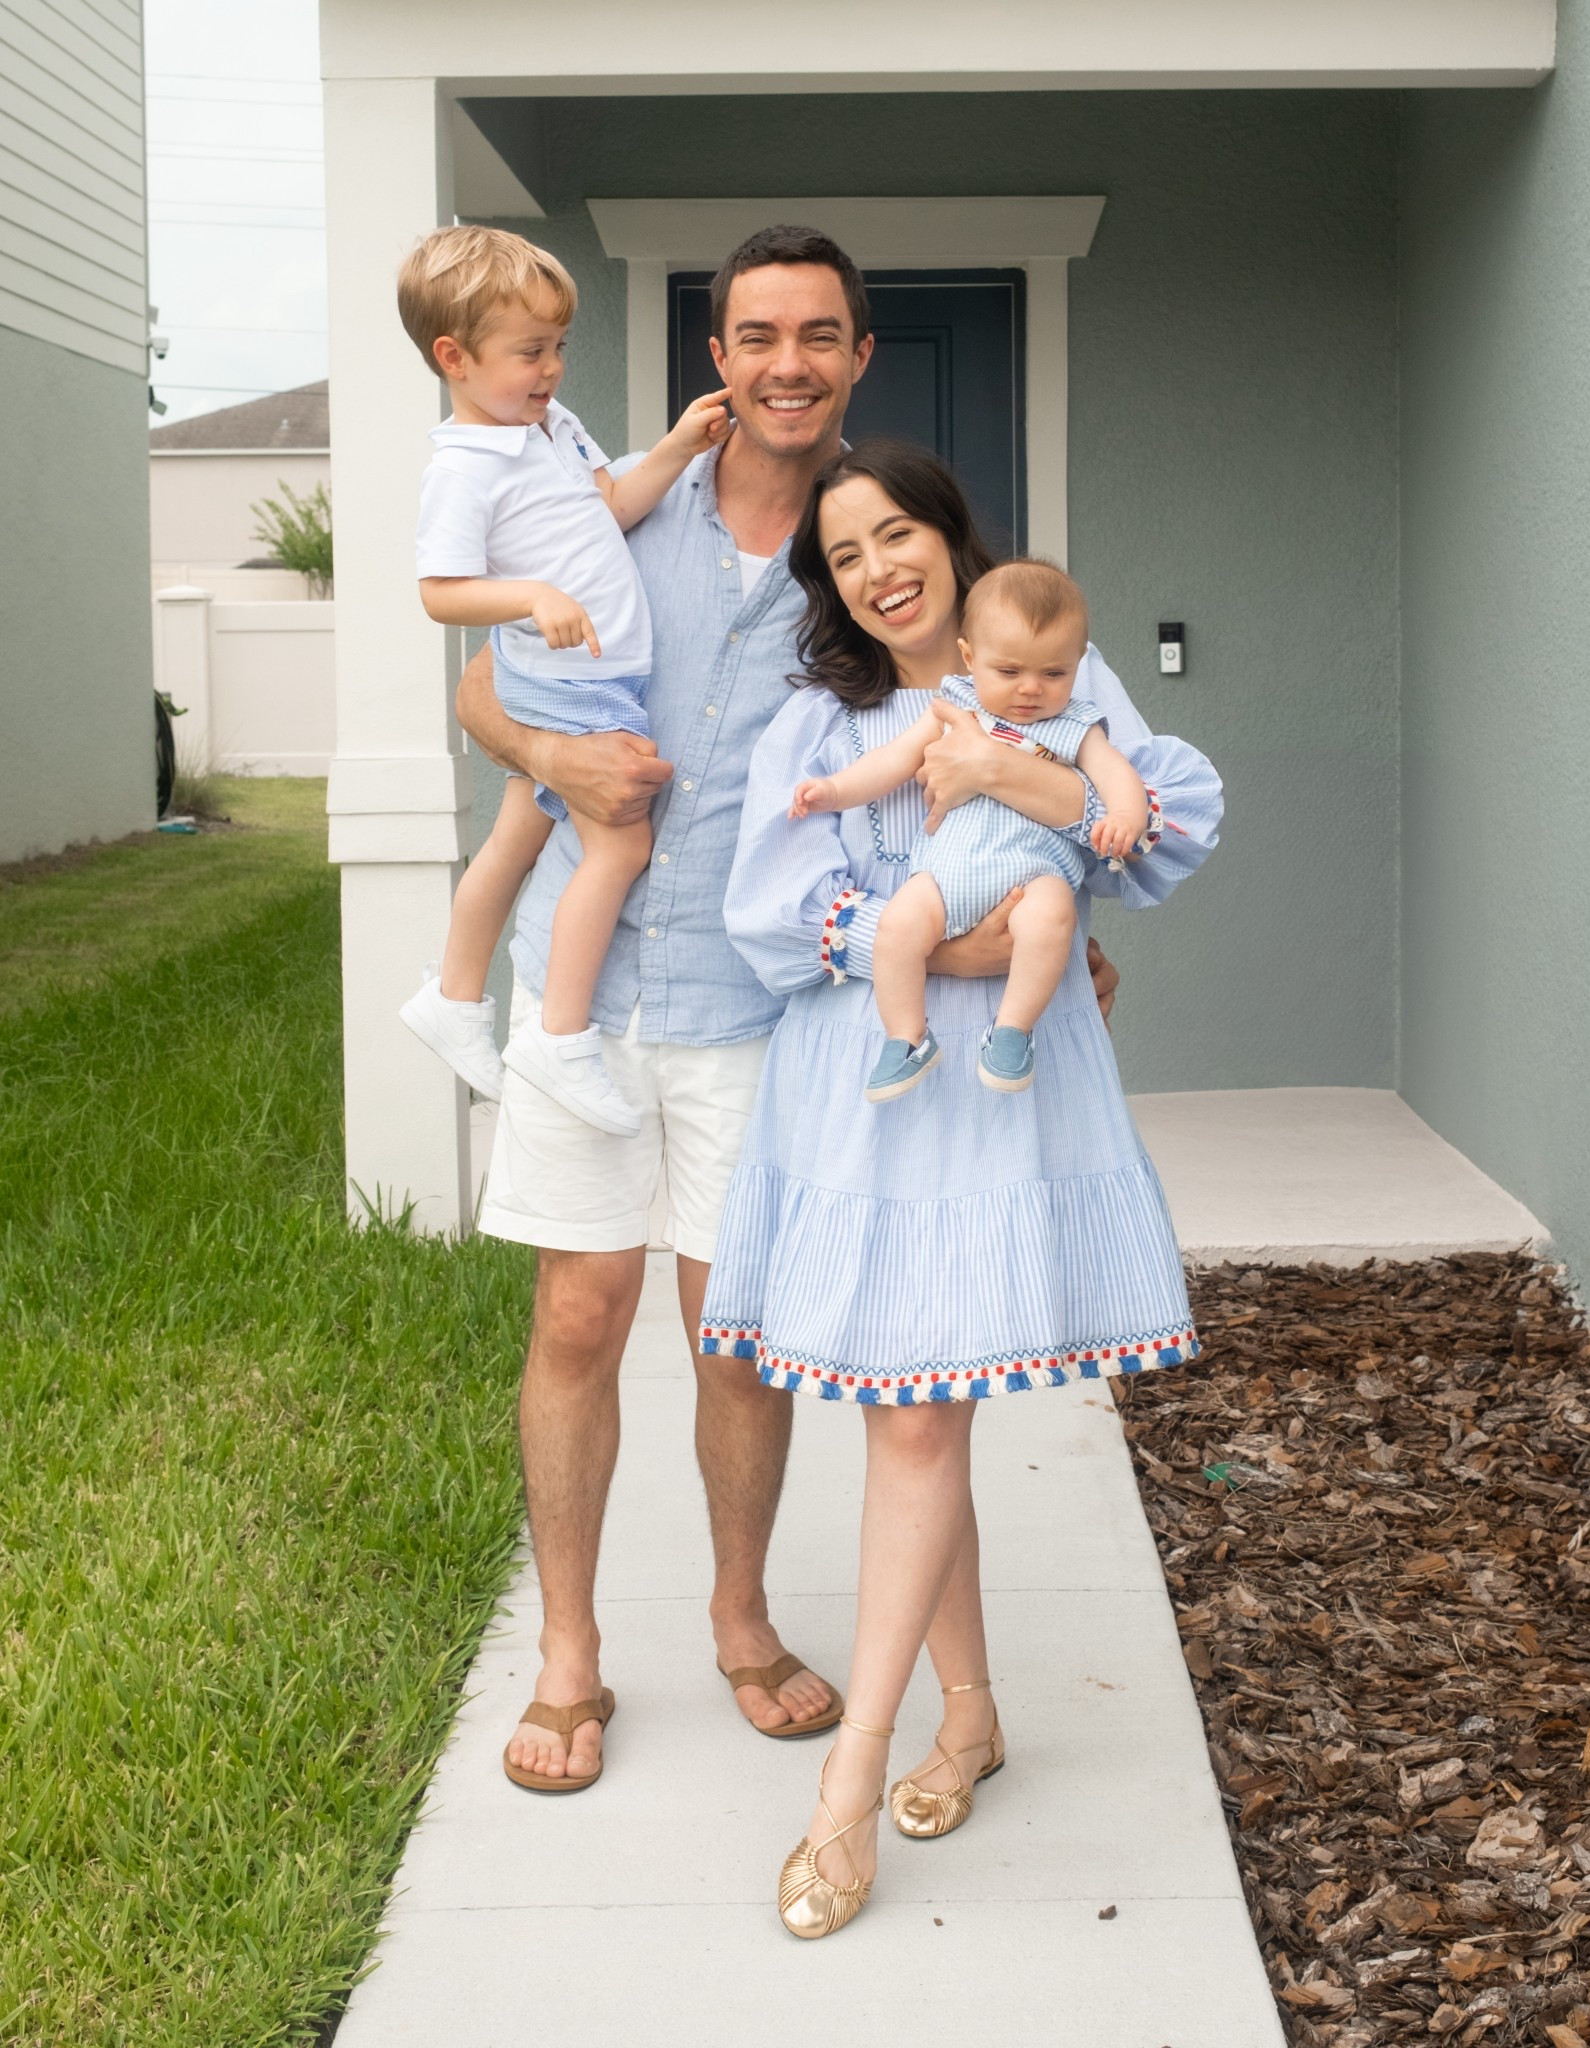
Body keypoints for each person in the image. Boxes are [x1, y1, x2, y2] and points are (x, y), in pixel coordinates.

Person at [452, 227, 1122, 1796]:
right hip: (589, 970)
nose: (787, 363)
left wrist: (1055, 923)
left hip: (756, 1003)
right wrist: (551, 763)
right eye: (757, 335)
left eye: (818, 335)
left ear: (857, 357)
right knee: (575, 1313)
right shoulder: (608, 510)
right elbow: (485, 686)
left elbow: (1010, 740)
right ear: (718, 356)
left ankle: (741, 1624)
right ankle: (569, 1658)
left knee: (735, 1340)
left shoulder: (871, 580)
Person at [696, 440, 1222, 1937]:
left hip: (992, 1119)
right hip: (864, 1106)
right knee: (912, 1416)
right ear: (830, 583)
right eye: (843, 551)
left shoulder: (1052, 667)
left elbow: (1166, 824)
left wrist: (1017, 771)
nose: (876, 566)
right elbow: (768, 909)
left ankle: (846, 1786)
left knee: (921, 1419)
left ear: (947, 535)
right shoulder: (818, 714)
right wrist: (938, 943)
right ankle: (970, 1715)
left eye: (897, 532)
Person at [396, 224, 732, 1130]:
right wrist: (530, 595)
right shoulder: (463, 468)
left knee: (519, 831)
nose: (550, 369)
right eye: (528, 353)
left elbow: (609, 508)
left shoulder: (548, 426)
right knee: (619, 844)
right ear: (454, 357)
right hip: (566, 680)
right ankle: (559, 1037)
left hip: (595, 675)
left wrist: (675, 449)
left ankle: (454, 996)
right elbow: (438, 592)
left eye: (558, 348)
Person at [790, 555, 1152, 1099]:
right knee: (896, 928)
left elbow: (1117, 775)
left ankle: (1012, 1031)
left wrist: (1125, 816)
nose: (1031, 689)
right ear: (970, 657)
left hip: (1033, 874)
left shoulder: (1076, 724)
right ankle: (907, 1037)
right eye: (1009, 671)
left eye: (1053, 673)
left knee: (1051, 919)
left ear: (1078, 665)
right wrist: (836, 790)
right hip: (947, 872)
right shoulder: (954, 705)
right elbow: (892, 761)